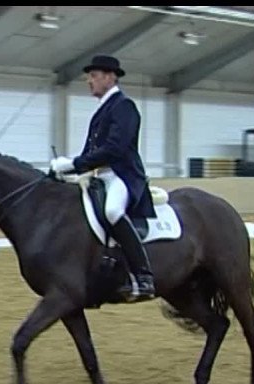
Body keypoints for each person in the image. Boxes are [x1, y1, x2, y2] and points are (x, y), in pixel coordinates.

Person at [50, 54, 156, 302]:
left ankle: (144, 276)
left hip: (123, 175)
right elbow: (91, 152)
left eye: (94, 76)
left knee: (112, 211)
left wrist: (74, 164)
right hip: (101, 176)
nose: (89, 81)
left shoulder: (124, 107)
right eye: (90, 76)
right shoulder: (103, 111)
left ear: (110, 77)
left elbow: (114, 149)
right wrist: (66, 169)